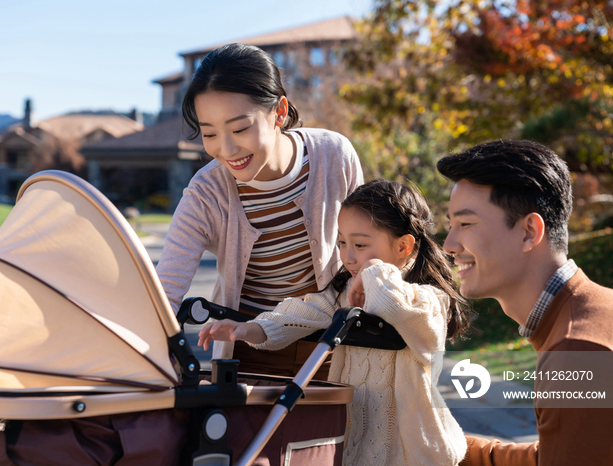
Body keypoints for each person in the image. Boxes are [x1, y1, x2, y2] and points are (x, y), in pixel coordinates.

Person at [199, 180, 470, 466]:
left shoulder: (429, 300)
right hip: (354, 446)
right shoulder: (344, 293)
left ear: (404, 246)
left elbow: (393, 304)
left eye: (360, 244)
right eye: (342, 242)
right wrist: (251, 328)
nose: (348, 256)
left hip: (415, 451)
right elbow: (300, 314)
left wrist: (372, 270)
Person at [155, 43, 364, 377]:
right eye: (209, 133)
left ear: (279, 112)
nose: (226, 149)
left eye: (240, 129)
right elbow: (165, 293)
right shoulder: (206, 193)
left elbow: (366, 247)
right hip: (248, 348)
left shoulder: (333, 156)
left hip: (331, 345)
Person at [437, 139, 613, 466]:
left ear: (529, 231)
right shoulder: (602, 309)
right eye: (451, 225)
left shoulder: (577, 350)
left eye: (465, 224)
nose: (449, 244)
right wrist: (440, 445)